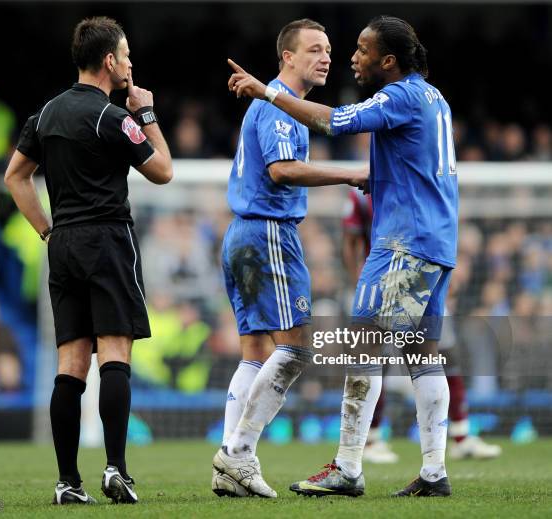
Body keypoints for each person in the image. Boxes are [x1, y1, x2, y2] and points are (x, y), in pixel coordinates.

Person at [228, 15, 457, 497]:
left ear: (388, 61)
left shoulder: (398, 97)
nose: (351, 57)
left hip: (404, 242)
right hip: (438, 242)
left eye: (362, 49)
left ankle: (349, 467)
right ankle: (434, 471)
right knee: (422, 354)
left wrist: (267, 92)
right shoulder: (434, 98)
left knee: (362, 345)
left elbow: (331, 121)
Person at [4, 16, 172, 505]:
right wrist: (147, 114)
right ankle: (116, 470)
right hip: (108, 239)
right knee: (115, 353)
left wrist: (46, 230)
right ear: (108, 61)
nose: (129, 62)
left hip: (64, 244)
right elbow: (162, 170)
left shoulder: (47, 114)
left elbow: (16, 176)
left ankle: (66, 483)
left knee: (71, 364)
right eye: (125, 55)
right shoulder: (111, 116)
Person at [213, 18, 368, 499]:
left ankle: (229, 463)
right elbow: (282, 170)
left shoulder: (279, 105)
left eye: (328, 49)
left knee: (256, 352)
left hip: (241, 234)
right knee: (296, 347)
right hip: (268, 234)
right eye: (315, 49)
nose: (326, 57)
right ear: (288, 57)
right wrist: (350, 173)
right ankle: (237, 455)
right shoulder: (277, 107)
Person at [342, 187, 501, 463]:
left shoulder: (416, 178)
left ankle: (460, 437)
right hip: (383, 282)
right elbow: (350, 239)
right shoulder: (361, 191)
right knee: (379, 360)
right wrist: (359, 280)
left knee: (443, 354)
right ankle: (371, 440)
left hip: (422, 277)